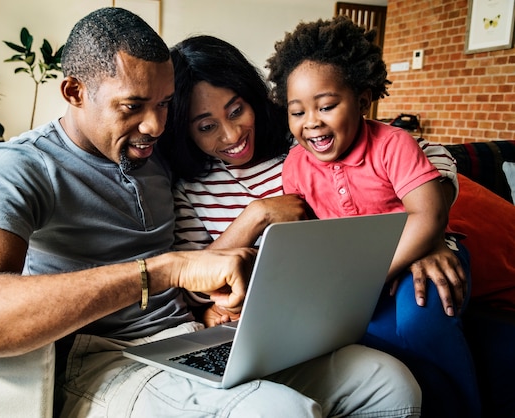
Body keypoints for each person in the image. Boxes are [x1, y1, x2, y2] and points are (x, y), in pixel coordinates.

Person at [0, 8, 422, 417]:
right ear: (74, 93)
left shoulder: (157, 149)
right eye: (132, 106)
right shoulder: (22, 166)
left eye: (165, 105)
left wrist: (432, 229)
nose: (154, 124)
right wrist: (165, 269)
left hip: (191, 340)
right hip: (104, 357)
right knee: (279, 413)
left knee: (388, 383)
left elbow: (364, 149)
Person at [158, 34, 478, 417]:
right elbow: (194, 287)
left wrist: (424, 237)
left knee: (413, 327)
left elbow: (428, 157)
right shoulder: (192, 189)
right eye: (206, 126)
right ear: (185, 130)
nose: (231, 135)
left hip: (350, 283)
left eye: (236, 110)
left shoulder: (303, 145)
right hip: (290, 314)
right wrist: (256, 214)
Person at [266, 17, 480, 417]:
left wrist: (367, 276)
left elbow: (428, 215)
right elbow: (305, 232)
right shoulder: (295, 163)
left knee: (419, 322)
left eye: (326, 106)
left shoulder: (393, 144)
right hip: (358, 276)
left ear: (363, 101)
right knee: (369, 336)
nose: (311, 121)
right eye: (297, 112)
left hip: (423, 256)